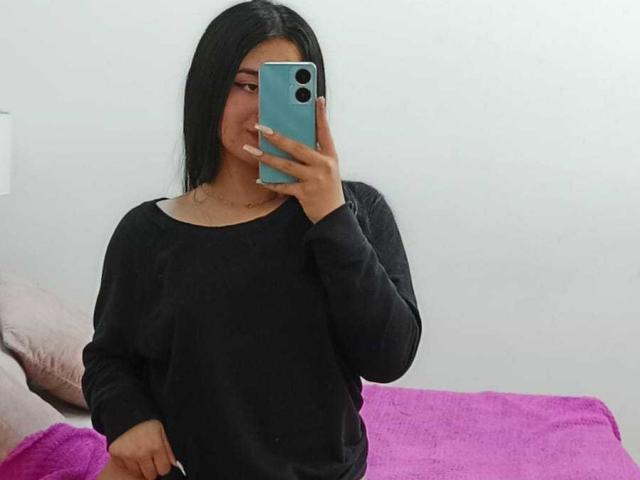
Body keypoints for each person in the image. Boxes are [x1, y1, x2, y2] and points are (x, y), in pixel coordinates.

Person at [81, 1, 422, 479]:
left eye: (286, 88)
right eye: (246, 85)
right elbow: (108, 358)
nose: (264, 108)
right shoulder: (146, 234)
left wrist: (331, 216)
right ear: (208, 89)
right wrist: (128, 418)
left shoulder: (356, 212)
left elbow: (389, 357)